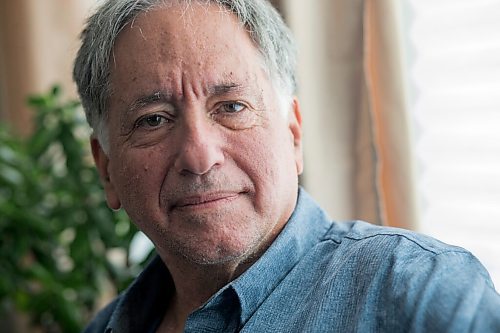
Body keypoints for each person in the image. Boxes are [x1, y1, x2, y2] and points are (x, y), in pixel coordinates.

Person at [73, 0, 500, 332]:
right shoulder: (105, 326)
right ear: (106, 169)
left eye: (232, 107)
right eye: (154, 120)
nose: (200, 157)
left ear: (293, 134)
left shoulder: (420, 292)